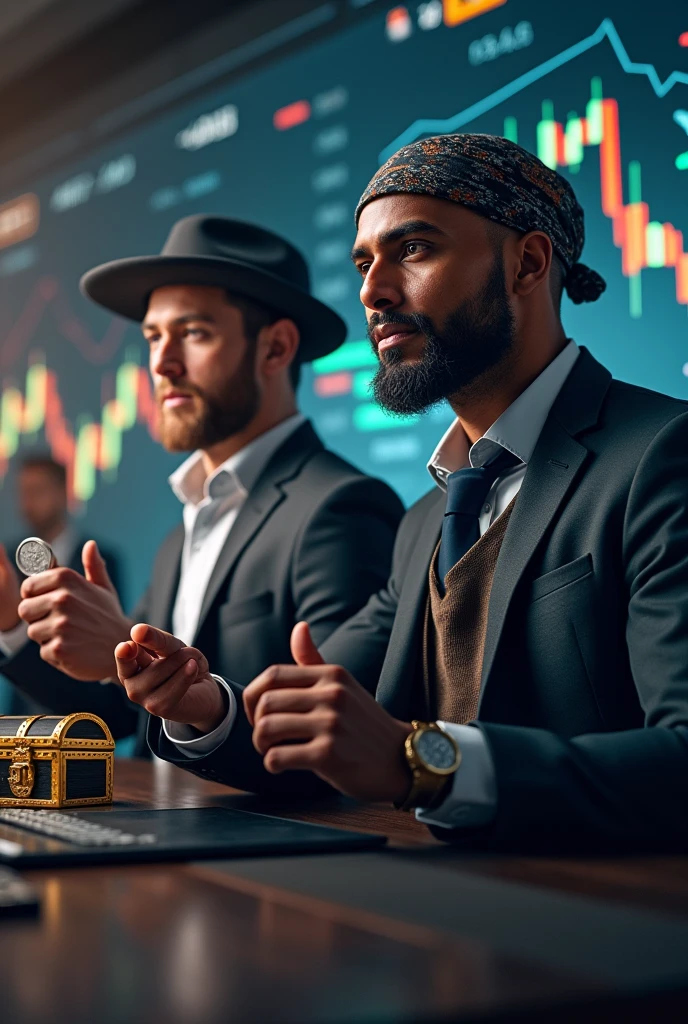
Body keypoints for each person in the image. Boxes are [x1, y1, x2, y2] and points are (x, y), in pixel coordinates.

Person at [125, 136, 688, 854]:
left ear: (529, 263)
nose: (372, 291)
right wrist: (205, 708)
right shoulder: (427, 519)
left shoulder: (663, 454)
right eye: (364, 263)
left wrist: (419, 763)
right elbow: (320, 725)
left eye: (414, 250)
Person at [0, 215, 404, 755]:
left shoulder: (342, 508)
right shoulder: (183, 531)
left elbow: (337, 737)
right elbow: (123, 715)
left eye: (193, 333)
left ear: (275, 348)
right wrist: (10, 623)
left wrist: (126, 642)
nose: (162, 363)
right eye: (153, 337)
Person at [0, 453, 122, 715]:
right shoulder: (8, 561)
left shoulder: (101, 559)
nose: (27, 503)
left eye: (38, 491)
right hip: (23, 708)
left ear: (62, 493)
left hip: (85, 710)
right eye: (24, 493)